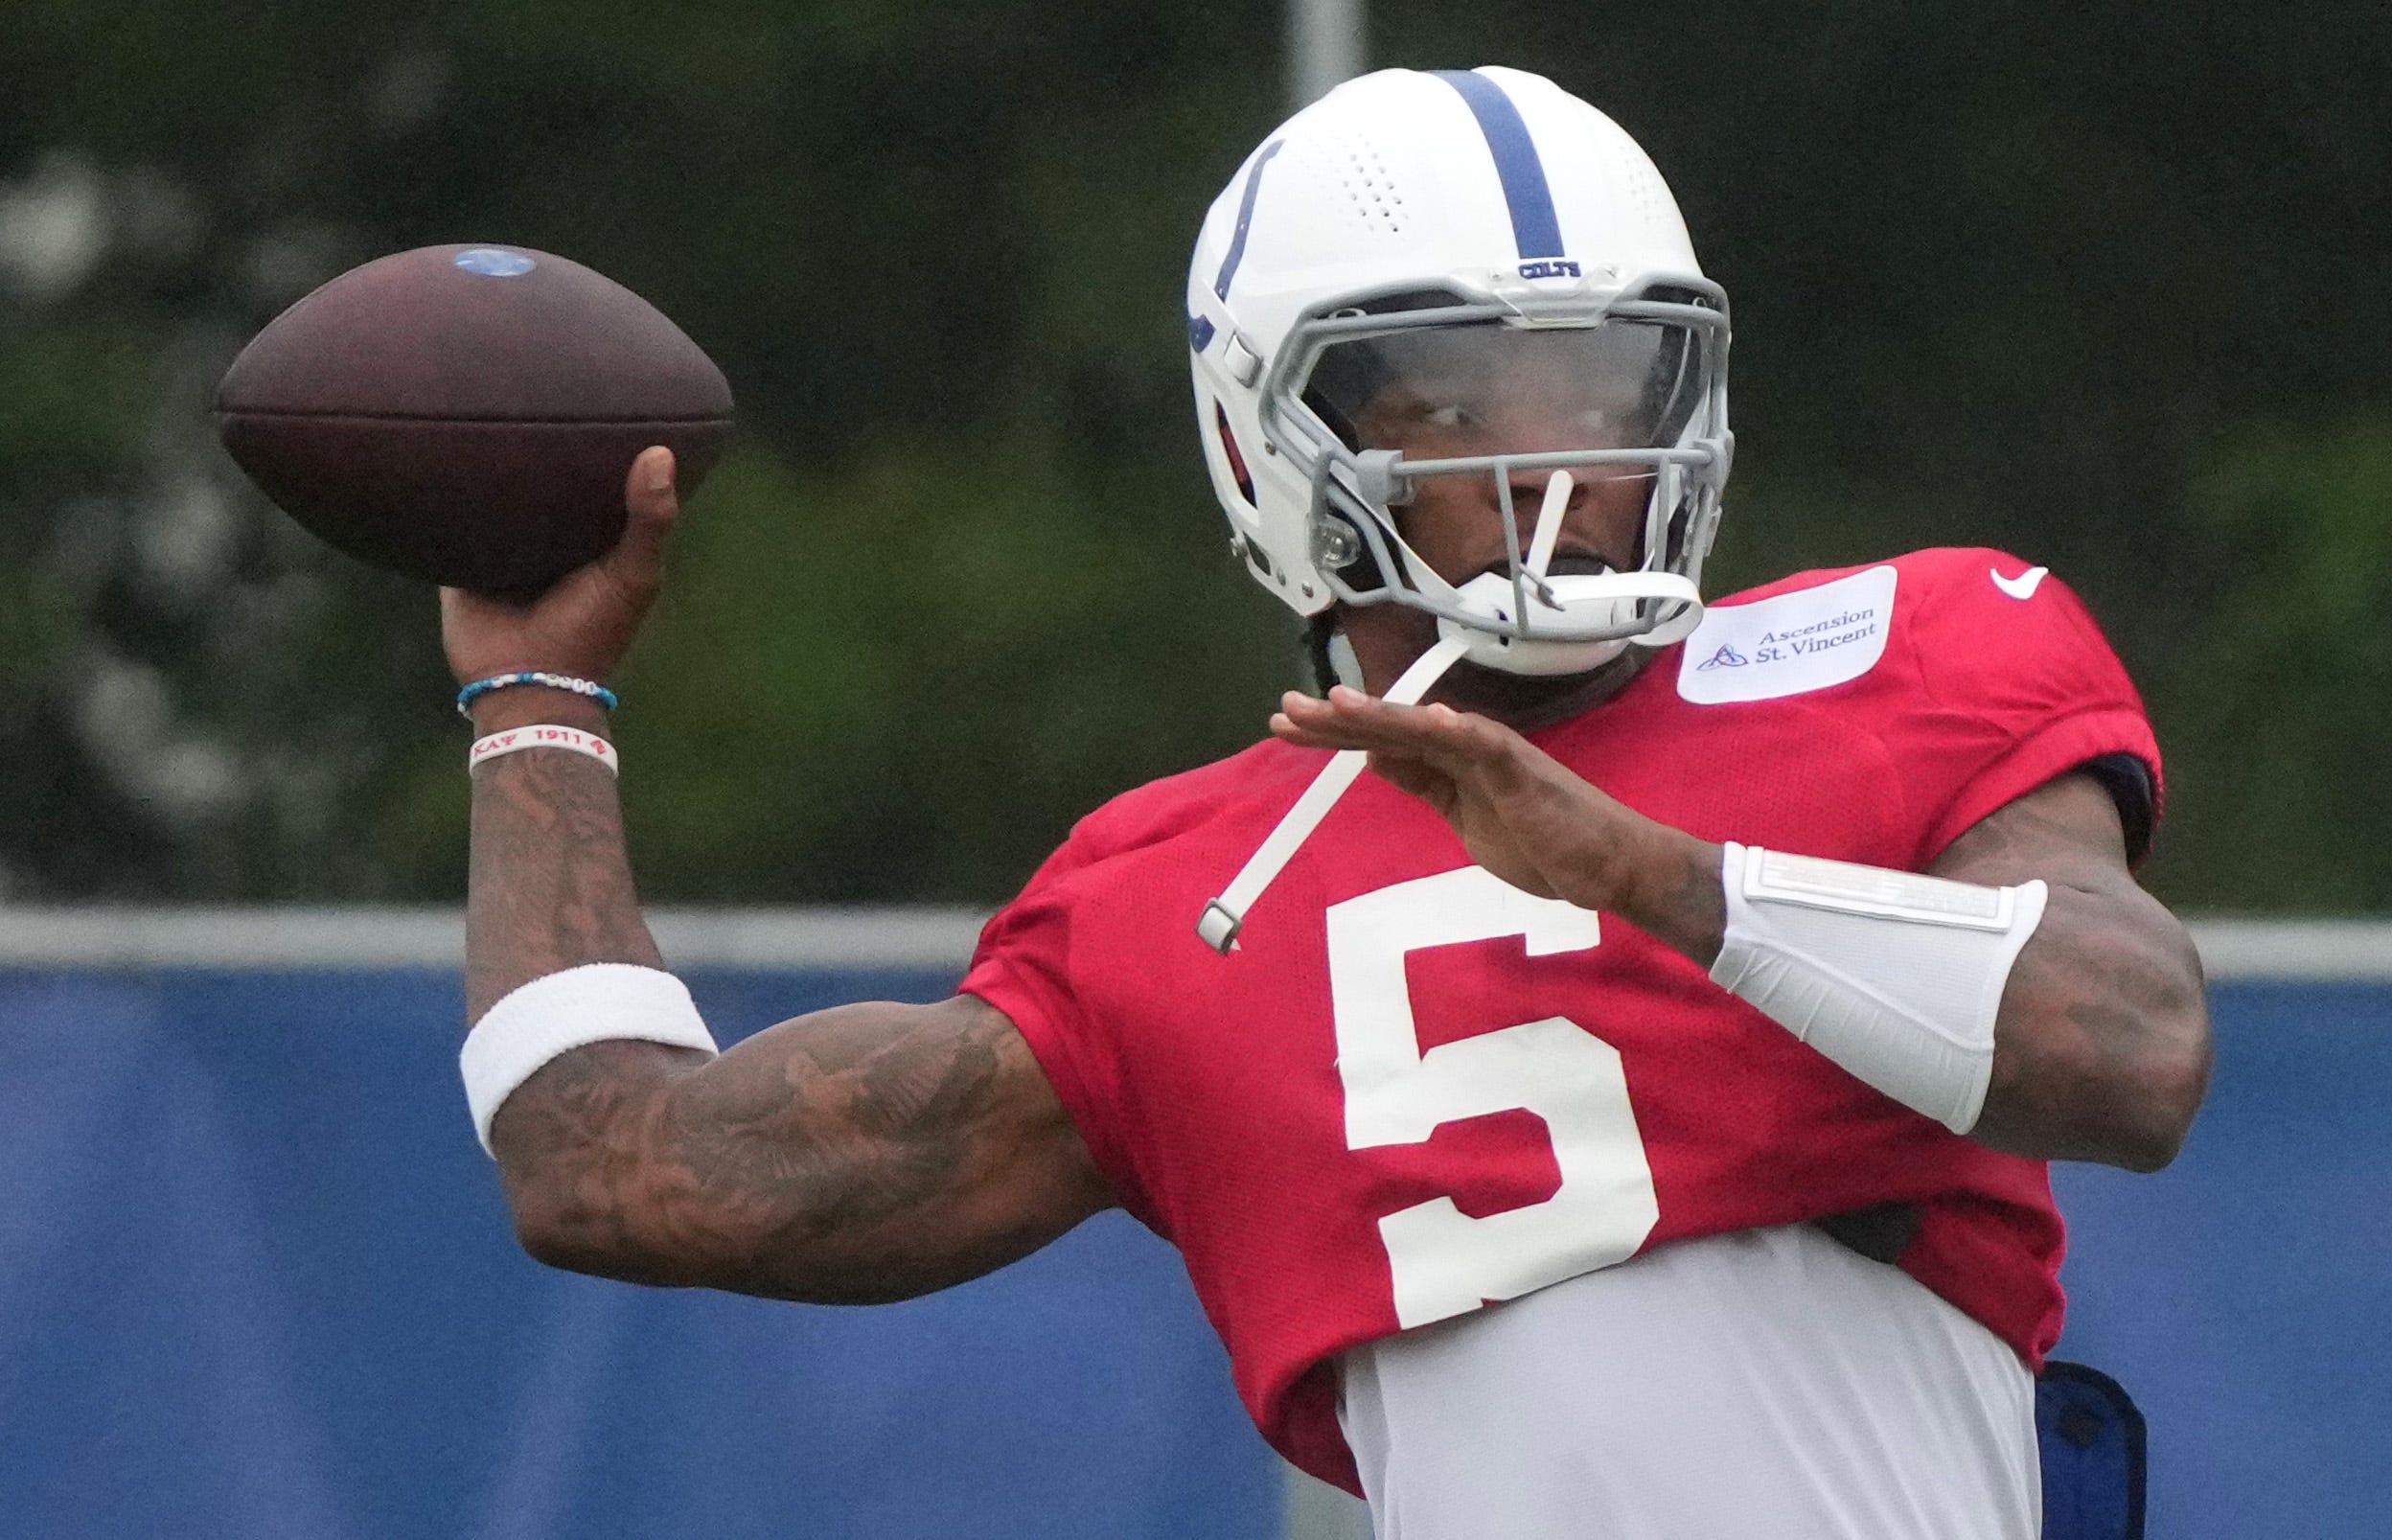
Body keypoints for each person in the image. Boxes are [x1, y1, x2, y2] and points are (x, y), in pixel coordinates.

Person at [444, 66, 2209, 1539]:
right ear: (1262, 443)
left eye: (1611, 387)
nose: (1566, 470)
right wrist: (535, 700)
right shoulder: (1177, 899)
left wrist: (1650, 874)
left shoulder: (1910, 652)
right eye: (1454, 399)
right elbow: (613, 1167)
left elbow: (2127, 1052)